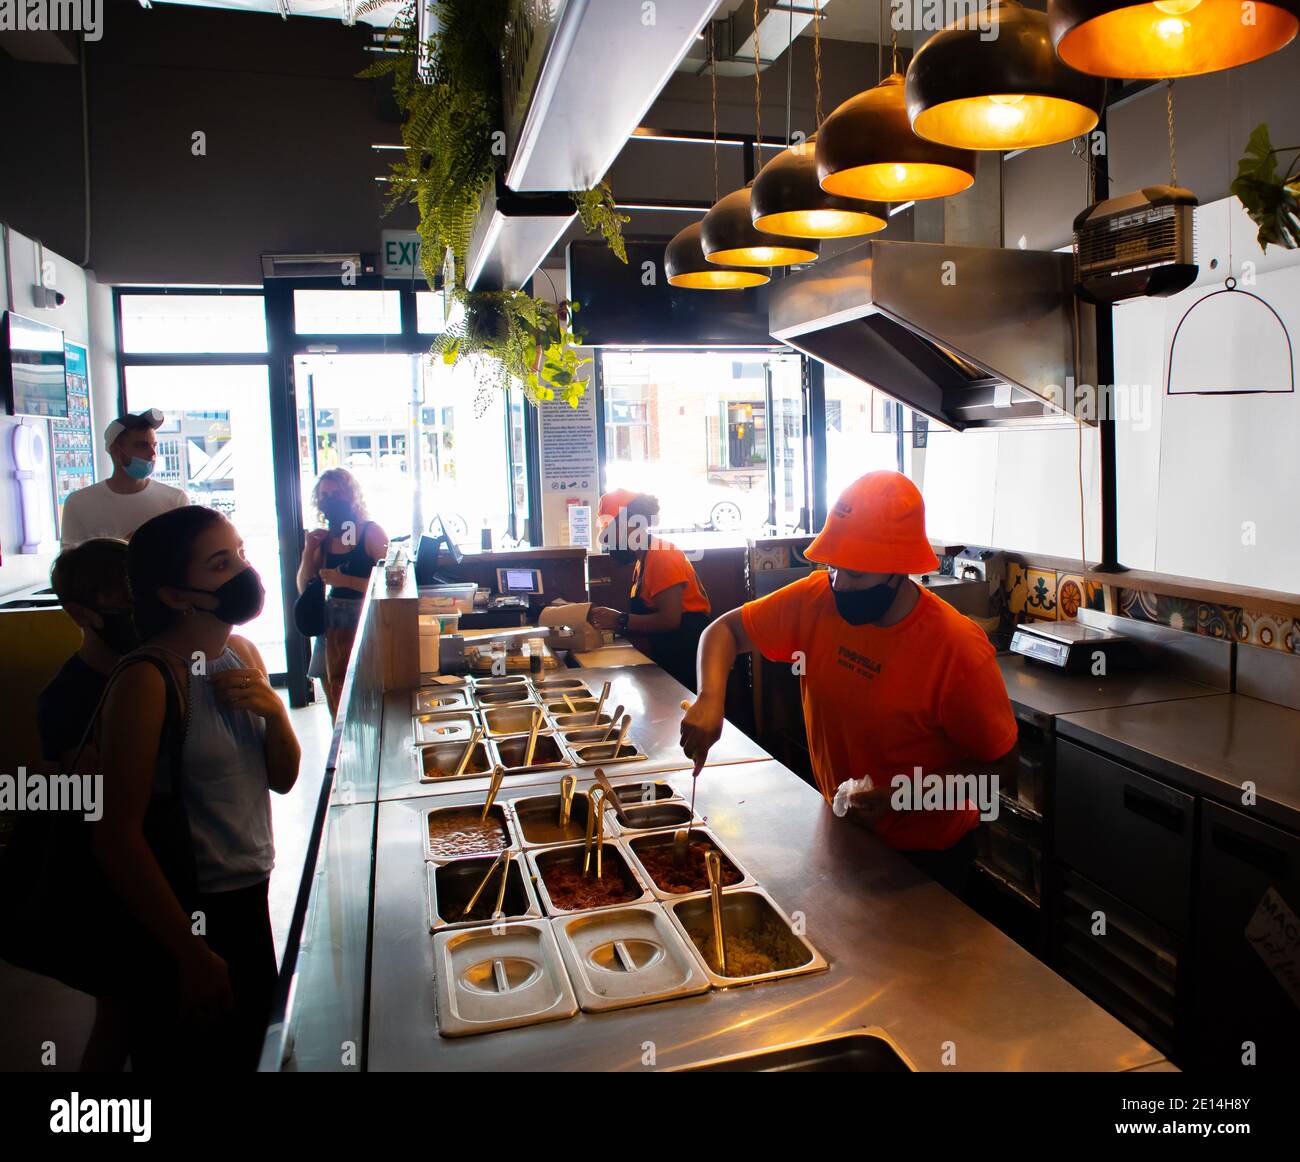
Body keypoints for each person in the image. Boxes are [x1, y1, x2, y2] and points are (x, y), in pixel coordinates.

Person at [680, 470, 1018, 891]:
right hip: (843, 831)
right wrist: (711, 700)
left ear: (900, 571)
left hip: (928, 863)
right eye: (833, 567)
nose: (839, 584)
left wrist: (902, 797)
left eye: (856, 574)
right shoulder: (816, 599)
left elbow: (999, 772)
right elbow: (724, 632)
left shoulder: (955, 648)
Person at [93, 505, 301, 1070]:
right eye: (219, 564)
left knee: (251, 1047)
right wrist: (189, 951)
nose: (241, 572)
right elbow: (116, 834)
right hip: (187, 908)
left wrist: (276, 715)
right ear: (175, 594)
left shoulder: (244, 654)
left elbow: (282, 780)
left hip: (248, 891)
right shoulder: (147, 680)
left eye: (239, 555)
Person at [34, 537, 139, 1072]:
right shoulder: (66, 696)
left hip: (160, 863)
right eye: (123, 597)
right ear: (83, 612)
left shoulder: (149, 669)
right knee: (121, 1013)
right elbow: (80, 798)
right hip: (109, 882)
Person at [588, 490, 712, 693]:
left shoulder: (662, 556)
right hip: (671, 655)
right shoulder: (643, 560)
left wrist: (620, 620)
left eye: (612, 533)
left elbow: (670, 620)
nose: (610, 543)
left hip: (687, 657)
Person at [296, 468, 388, 718]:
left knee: (366, 703)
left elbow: (390, 583)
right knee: (335, 700)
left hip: (366, 625)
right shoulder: (323, 540)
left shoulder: (371, 532)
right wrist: (308, 551)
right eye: (325, 495)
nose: (331, 499)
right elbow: (304, 587)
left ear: (352, 495)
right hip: (332, 628)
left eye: (337, 493)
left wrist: (344, 580)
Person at [59, 409, 188, 549]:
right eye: (141, 445)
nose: (152, 454)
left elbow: (189, 557)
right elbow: (68, 563)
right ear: (116, 450)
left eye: (154, 445)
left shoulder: (175, 501)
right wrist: (118, 547)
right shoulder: (79, 503)